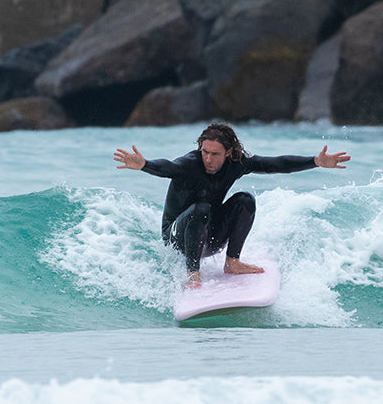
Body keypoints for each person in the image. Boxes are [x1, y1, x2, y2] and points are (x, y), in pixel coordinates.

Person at [114, 123, 350, 288]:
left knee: (245, 200)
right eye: (204, 151)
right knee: (201, 208)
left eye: (215, 154)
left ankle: (232, 262)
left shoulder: (236, 164)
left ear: (228, 152)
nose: (208, 158)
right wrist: (144, 165)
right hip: (177, 238)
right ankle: (192, 273)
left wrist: (316, 162)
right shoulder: (190, 164)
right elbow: (167, 168)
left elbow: (275, 164)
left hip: (209, 237)